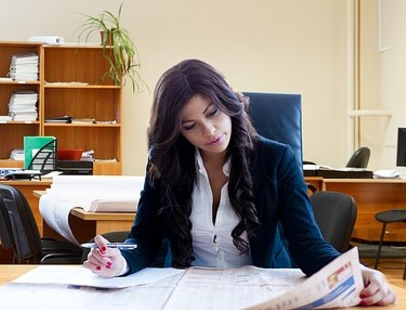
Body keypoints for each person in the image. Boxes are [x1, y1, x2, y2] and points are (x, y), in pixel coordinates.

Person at [83, 59, 395, 306]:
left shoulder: (276, 160)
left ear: (229, 102)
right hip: (184, 295)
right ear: (178, 132)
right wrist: (119, 260)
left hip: (261, 294)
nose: (209, 131)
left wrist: (359, 272)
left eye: (213, 112)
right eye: (191, 126)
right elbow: (144, 238)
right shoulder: (165, 162)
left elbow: (307, 246)